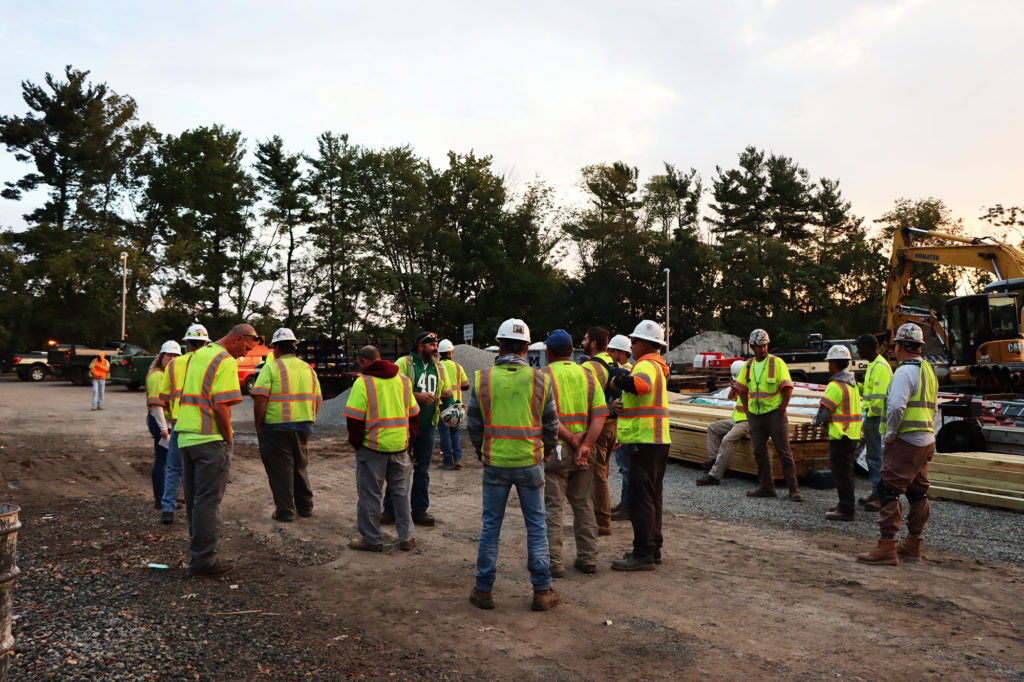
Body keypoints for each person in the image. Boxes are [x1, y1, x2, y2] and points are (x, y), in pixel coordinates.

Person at [466, 318, 561, 611]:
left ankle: (483, 590)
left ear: (500, 344)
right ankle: (542, 591)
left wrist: (483, 452)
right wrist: (544, 452)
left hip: (496, 462)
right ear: (527, 348)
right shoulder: (541, 379)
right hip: (530, 462)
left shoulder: (482, 378)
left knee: (490, 526)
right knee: (536, 526)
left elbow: (473, 424)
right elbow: (551, 425)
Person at [175, 324, 259, 578]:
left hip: (186, 436)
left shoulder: (198, 354)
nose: (243, 355)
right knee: (209, 502)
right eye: (245, 348)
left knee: (196, 501)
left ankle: (197, 555)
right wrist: (227, 437)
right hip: (209, 438)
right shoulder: (224, 360)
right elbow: (222, 406)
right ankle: (203, 561)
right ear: (238, 338)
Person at [857, 323, 937, 565]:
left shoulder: (903, 372)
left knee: (887, 489)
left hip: (905, 439)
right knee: (917, 491)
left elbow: (895, 407)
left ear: (899, 346)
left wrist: (891, 434)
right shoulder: (928, 370)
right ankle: (913, 544)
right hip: (925, 438)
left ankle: (887, 547)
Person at [541, 330, 609, 577]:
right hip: (584, 453)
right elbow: (600, 414)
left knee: (553, 508)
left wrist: (569, 438)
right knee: (583, 505)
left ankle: (554, 563)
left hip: (555, 452)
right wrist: (585, 445)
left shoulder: (543, 376)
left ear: (548, 352)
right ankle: (588, 558)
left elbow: (544, 415)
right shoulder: (588, 375)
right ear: (572, 351)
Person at [342, 345, 420, 552]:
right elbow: (413, 414)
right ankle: (407, 538)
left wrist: (357, 443)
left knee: (370, 496)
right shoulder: (403, 380)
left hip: (372, 449)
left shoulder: (363, 383)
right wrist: (409, 436)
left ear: (364, 361)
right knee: (401, 495)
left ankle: (372, 539)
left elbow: (354, 419)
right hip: (400, 448)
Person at [608, 320, 671, 571]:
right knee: (652, 496)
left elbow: (640, 385)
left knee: (640, 498)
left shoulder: (646, 365)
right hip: (655, 440)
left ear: (645, 344)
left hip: (643, 441)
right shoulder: (658, 366)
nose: (631, 346)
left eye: (634, 342)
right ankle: (652, 546)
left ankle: (643, 552)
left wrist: (618, 380)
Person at [382, 332, 454, 526]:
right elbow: (391, 389)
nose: (436, 348)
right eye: (432, 344)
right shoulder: (404, 363)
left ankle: (419, 511)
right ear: (421, 346)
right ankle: (390, 510)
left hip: (428, 426)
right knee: (398, 469)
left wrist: (454, 410)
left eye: (437, 343)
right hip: (405, 426)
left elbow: (447, 394)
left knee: (422, 471)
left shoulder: (439, 367)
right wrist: (416, 396)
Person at [251, 327, 323, 523]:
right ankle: (305, 507)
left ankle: (285, 511)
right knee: (300, 465)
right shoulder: (308, 368)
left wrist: (258, 423)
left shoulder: (272, 367)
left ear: (275, 348)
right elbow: (318, 399)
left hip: (276, 426)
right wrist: (310, 417)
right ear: (294, 347)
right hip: (304, 425)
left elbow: (260, 398)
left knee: (280, 468)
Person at [735, 329, 803, 502]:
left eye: (765, 345)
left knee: (784, 451)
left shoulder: (776, 363)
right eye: (759, 346)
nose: (763, 349)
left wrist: (782, 409)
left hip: (775, 414)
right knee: (759, 452)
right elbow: (741, 388)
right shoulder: (749, 365)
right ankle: (767, 487)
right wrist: (748, 410)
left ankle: (794, 489)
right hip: (756, 416)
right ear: (752, 347)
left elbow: (787, 387)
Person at [157, 324, 210, 524]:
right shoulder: (210, 363)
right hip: (203, 426)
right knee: (198, 471)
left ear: (186, 344)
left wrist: (172, 415)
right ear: (206, 343)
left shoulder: (173, 365)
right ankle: (197, 510)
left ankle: (167, 509)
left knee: (173, 468)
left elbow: (164, 397)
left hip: (179, 424)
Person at [811, 346, 863, 521]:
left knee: (841, 473)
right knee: (847, 472)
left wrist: (815, 421)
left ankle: (847, 509)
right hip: (852, 434)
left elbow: (824, 412)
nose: (827, 365)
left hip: (841, 435)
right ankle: (844, 504)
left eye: (829, 362)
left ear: (834, 364)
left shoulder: (836, 385)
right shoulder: (852, 383)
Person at [580, 327, 616, 535]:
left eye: (585, 338)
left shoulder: (591, 367)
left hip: (600, 426)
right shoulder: (613, 362)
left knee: (598, 474)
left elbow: (587, 398)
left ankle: (602, 522)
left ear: (593, 343)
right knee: (603, 471)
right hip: (613, 425)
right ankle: (602, 516)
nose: (583, 341)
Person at [695, 360, 748, 486]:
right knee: (713, 428)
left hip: (748, 421)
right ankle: (715, 460)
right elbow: (730, 398)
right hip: (737, 419)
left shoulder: (752, 384)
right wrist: (733, 389)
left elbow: (749, 405)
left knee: (727, 440)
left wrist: (740, 389)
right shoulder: (739, 383)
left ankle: (714, 475)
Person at [856, 333, 892, 513]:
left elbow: (879, 399)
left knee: (877, 458)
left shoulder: (881, 367)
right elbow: (870, 393)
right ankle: (875, 491)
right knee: (873, 457)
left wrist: (870, 415)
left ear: (869, 347)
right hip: (872, 418)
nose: (857, 350)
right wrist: (856, 385)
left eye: (859, 346)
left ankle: (880, 496)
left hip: (876, 419)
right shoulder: (872, 366)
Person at [146, 341, 181, 510]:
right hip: (160, 421)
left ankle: (167, 495)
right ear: (161, 357)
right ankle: (160, 499)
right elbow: (156, 406)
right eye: (169, 356)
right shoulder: (158, 376)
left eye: (175, 356)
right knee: (163, 461)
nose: (172, 359)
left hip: (166, 422)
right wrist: (164, 429)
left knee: (168, 461)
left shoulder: (167, 374)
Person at [607, 334, 633, 519]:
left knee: (627, 469)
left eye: (612, 351)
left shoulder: (629, 372)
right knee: (624, 468)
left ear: (622, 353)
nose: (609, 353)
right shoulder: (619, 370)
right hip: (622, 426)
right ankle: (625, 503)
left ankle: (628, 507)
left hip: (629, 427)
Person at [437, 338, 471, 470]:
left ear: (440, 353)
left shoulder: (437, 367)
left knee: (444, 433)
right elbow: (466, 385)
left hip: (441, 405)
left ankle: (447, 460)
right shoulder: (458, 367)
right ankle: (458, 459)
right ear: (450, 352)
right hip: (456, 405)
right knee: (455, 432)